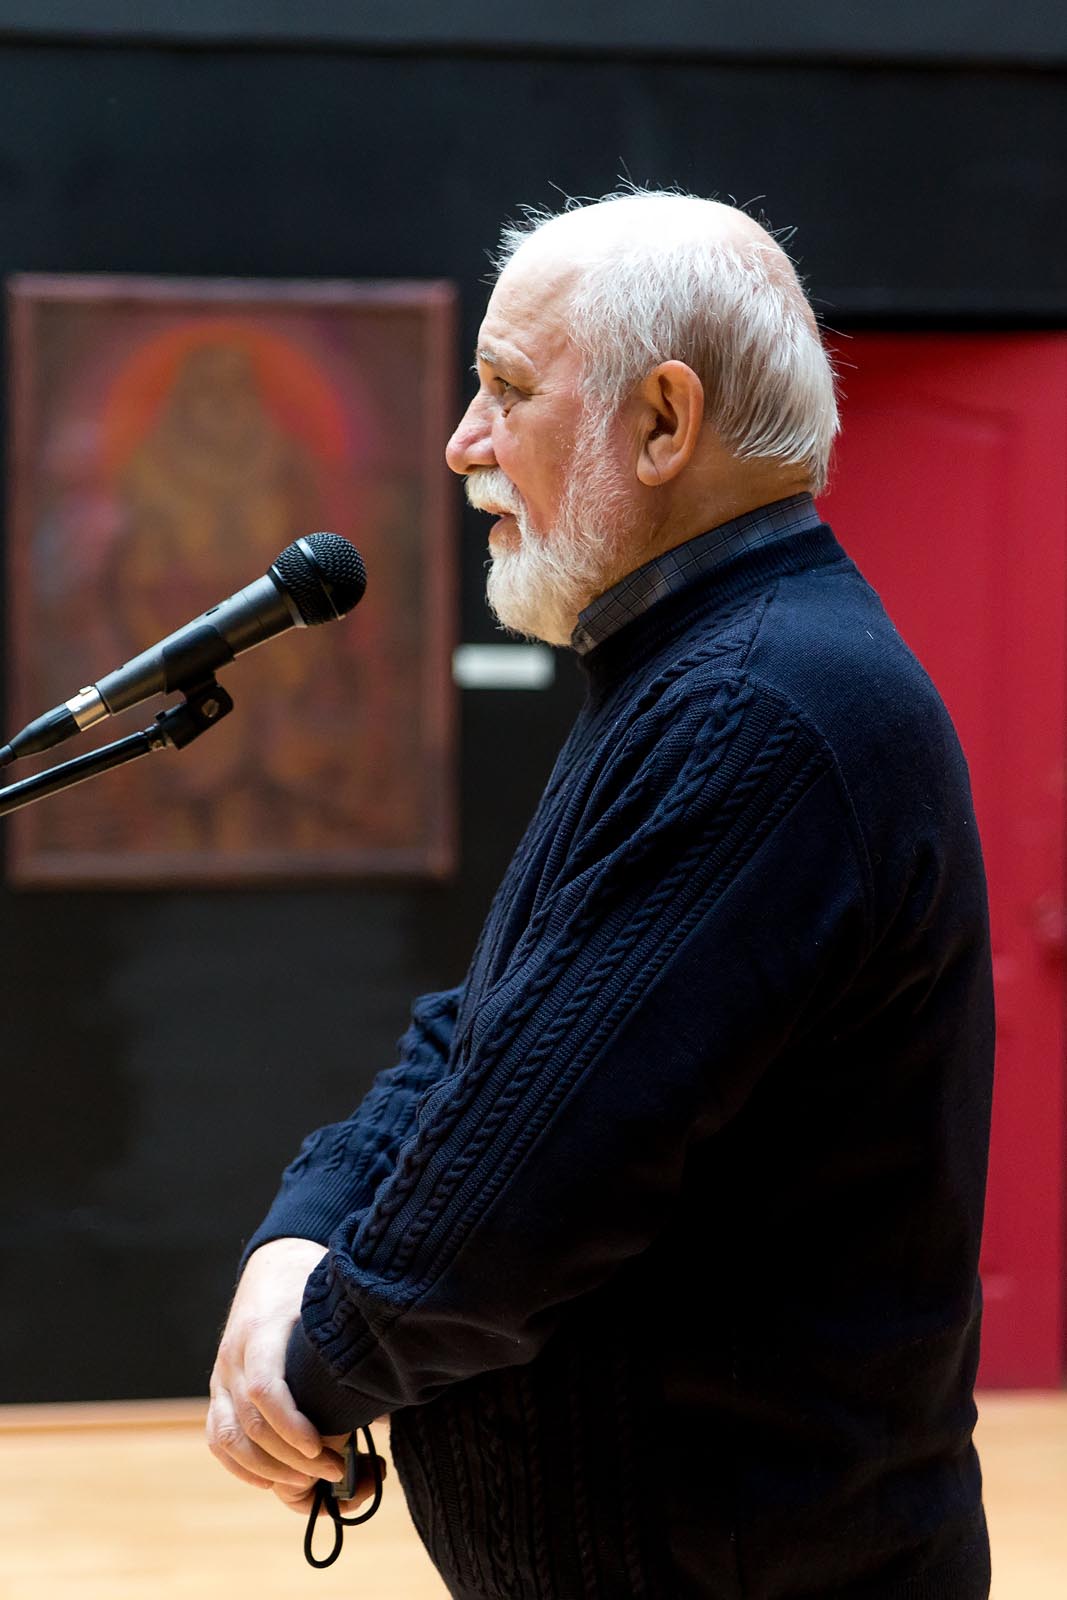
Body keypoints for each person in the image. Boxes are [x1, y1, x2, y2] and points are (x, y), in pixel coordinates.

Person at [207, 190, 994, 1599]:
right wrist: (300, 1232)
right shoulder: (702, 670)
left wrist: (307, 1363)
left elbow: (520, 1188)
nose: (465, 442)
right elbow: (485, 1033)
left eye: (507, 390)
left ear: (663, 423)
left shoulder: (761, 705)